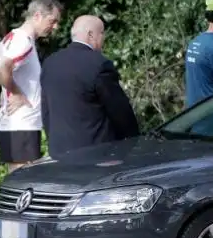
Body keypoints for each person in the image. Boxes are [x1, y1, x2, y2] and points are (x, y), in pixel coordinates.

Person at [0, 0, 63, 172]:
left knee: (18, 183)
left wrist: (6, 85)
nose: (55, 27)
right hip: (21, 125)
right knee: (24, 186)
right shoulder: (23, 42)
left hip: (12, 124)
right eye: (52, 21)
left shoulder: (12, 37)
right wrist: (15, 92)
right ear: (37, 15)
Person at [40, 15, 140, 158]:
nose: (103, 39)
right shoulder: (99, 64)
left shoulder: (50, 63)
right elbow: (119, 112)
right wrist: (134, 142)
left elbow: (46, 111)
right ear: (91, 35)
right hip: (96, 154)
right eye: (102, 33)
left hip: (60, 153)